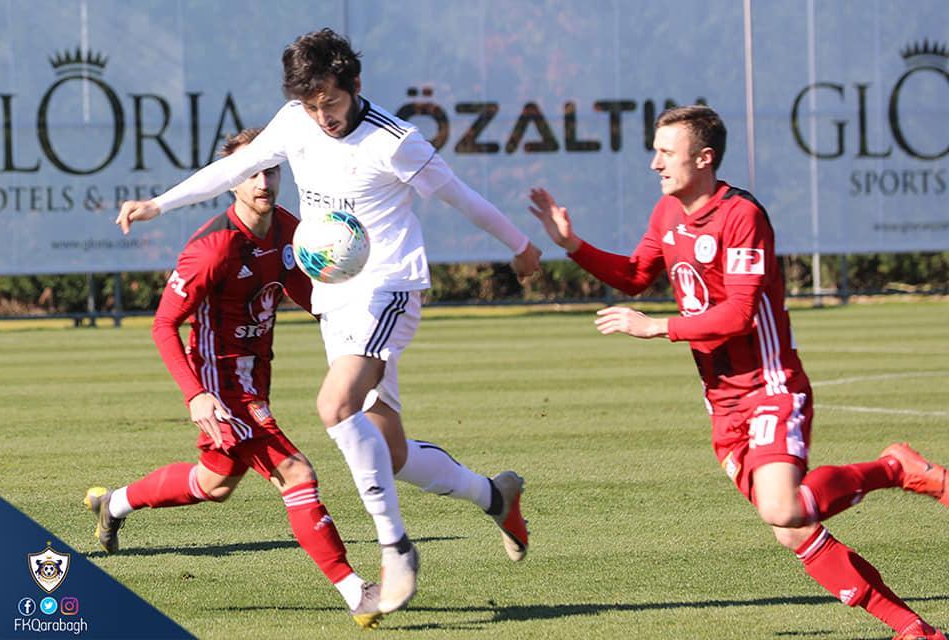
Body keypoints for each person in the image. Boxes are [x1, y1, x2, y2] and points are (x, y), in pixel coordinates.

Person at [115, 29, 540, 616]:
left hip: (388, 290)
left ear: (355, 84)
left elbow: (461, 197)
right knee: (388, 451)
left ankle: (395, 552)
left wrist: (520, 245)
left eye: (331, 103)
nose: (322, 117)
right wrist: (157, 205)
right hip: (338, 300)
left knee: (334, 405)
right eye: (311, 106)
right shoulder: (295, 121)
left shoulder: (396, 141)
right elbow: (232, 168)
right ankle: (495, 496)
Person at [528, 105, 947, 640]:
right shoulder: (668, 213)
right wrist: (573, 246)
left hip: (770, 386)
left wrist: (657, 327)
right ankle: (914, 628)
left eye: (666, 153)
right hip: (722, 404)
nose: (655, 164)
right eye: (655, 151)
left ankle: (893, 469)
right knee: (792, 530)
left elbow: (740, 313)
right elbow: (634, 275)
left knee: (783, 508)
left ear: (704, 158)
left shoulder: (741, 216)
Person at [86, 128, 383, 629]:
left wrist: (352, 306)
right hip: (221, 384)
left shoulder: (288, 228)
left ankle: (112, 504)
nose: (263, 181)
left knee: (215, 482)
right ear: (231, 181)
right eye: (250, 172)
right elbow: (163, 325)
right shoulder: (213, 249)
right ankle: (357, 592)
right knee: (296, 472)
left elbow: (307, 296)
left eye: (270, 170)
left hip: (255, 373)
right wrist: (196, 395)